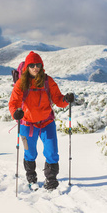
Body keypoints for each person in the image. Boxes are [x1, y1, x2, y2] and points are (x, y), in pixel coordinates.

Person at [9, 51, 74, 190]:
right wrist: (16, 113)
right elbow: (13, 102)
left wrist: (65, 100)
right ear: (27, 67)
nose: (35, 68)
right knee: (30, 153)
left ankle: (51, 180)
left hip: (47, 123)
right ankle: (31, 178)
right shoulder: (21, 83)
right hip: (27, 124)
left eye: (38, 65)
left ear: (41, 65)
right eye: (32, 65)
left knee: (52, 152)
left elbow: (57, 99)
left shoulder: (47, 80)